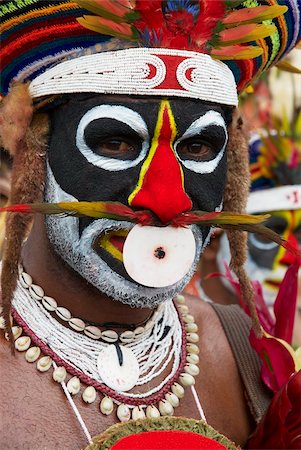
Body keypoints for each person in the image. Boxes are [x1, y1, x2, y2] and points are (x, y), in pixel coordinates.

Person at [0, 1, 300, 449]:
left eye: (198, 147)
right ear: (32, 154)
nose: (165, 200)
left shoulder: (244, 350)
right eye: (116, 142)